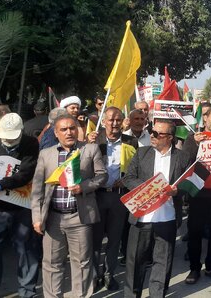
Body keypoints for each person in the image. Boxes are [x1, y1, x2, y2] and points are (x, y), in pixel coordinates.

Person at [30, 114, 107, 298]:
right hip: (53, 219)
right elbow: (37, 190)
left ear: (77, 130)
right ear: (56, 133)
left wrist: (84, 186)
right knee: (51, 264)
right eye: (63, 129)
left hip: (80, 218)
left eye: (72, 128)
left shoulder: (90, 150)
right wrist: (37, 218)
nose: (69, 132)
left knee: (81, 263)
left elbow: (102, 176)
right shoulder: (46, 154)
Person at [0, 113, 40, 298]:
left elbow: (25, 173)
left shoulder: (31, 144)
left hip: (22, 206)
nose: (7, 141)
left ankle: (27, 291)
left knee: (26, 250)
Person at [123, 120, 190, 297]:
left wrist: (177, 191)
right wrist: (150, 188)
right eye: (152, 131)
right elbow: (128, 178)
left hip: (167, 219)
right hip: (141, 219)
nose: (152, 135)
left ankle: (157, 294)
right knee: (135, 263)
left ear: (170, 137)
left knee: (163, 262)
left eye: (157, 134)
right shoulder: (142, 153)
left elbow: (190, 184)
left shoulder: (181, 157)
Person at [87, 107, 139, 291]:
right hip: (96, 196)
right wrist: (86, 144)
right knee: (94, 239)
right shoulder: (93, 140)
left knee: (115, 239)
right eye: (111, 120)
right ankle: (94, 275)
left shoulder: (131, 141)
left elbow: (136, 168)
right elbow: (81, 167)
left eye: (118, 120)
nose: (115, 123)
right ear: (104, 122)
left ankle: (109, 274)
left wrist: (125, 180)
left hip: (118, 197)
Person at [181, 104, 211, 284]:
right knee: (194, 231)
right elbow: (184, 161)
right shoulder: (192, 138)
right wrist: (194, 143)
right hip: (198, 193)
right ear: (205, 118)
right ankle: (194, 269)